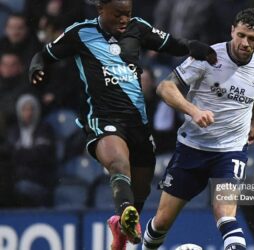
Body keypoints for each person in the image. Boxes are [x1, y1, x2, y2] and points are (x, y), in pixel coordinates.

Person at [28, 0, 216, 249]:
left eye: (127, 14)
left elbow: (171, 43)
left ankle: (121, 228)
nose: (123, 19)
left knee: (141, 189)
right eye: (117, 15)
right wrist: (37, 65)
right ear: (100, 10)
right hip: (103, 118)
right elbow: (45, 54)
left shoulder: (138, 28)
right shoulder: (80, 33)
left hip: (137, 122)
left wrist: (194, 47)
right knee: (119, 164)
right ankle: (125, 211)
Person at [142, 8, 254, 250]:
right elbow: (165, 88)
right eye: (241, 35)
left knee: (225, 215)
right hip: (193, 148)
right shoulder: (208, 57)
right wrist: (193, 111)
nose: (244, 43)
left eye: (252, 39)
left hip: (230, 151)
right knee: (161, 222)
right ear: (232, 30)